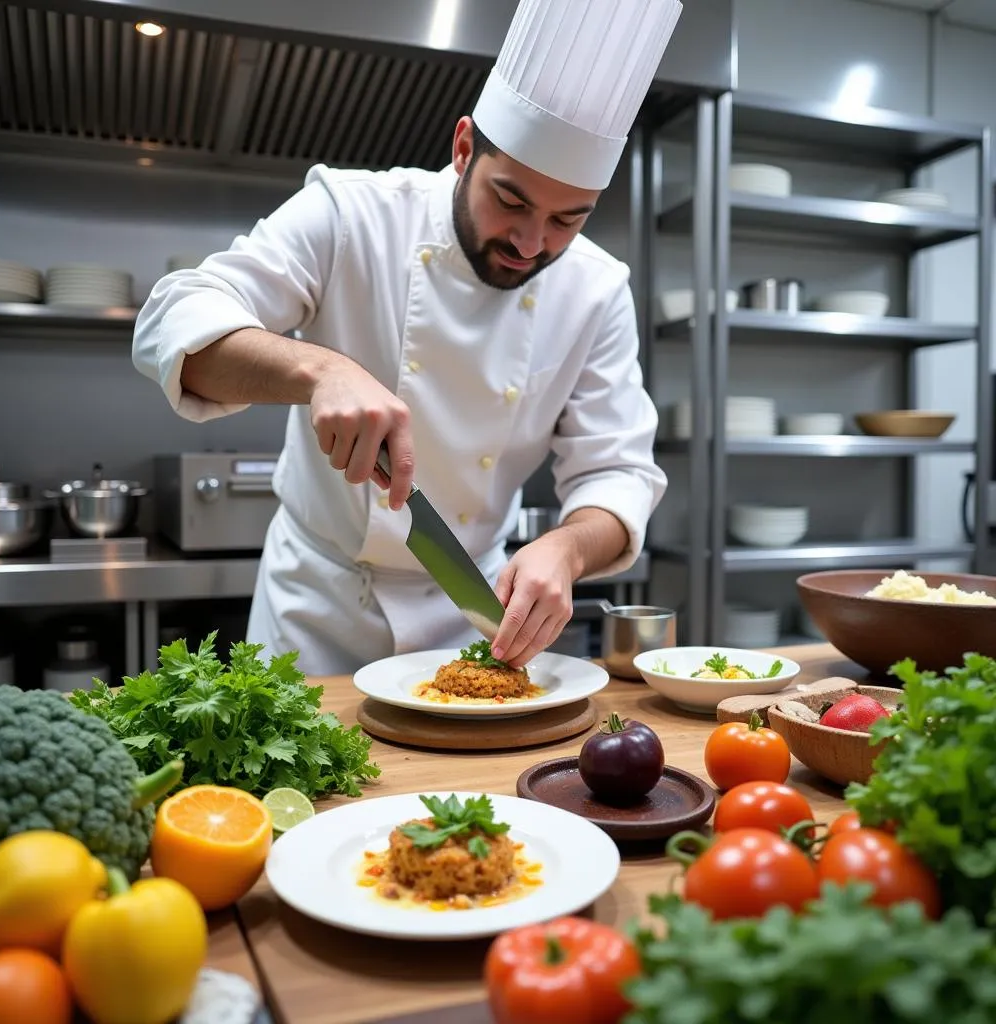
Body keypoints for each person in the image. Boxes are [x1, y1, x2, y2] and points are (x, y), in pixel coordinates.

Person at [132, 0, 681, 676]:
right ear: (461, 149)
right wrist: (318, 370)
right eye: (510, 201)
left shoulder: (596, 288)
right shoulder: (351, 213)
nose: (533, 243)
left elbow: (617, 472)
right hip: (317, 613)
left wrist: (567, 549)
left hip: (476, 617)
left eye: (569, 219)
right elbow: (176, 315)